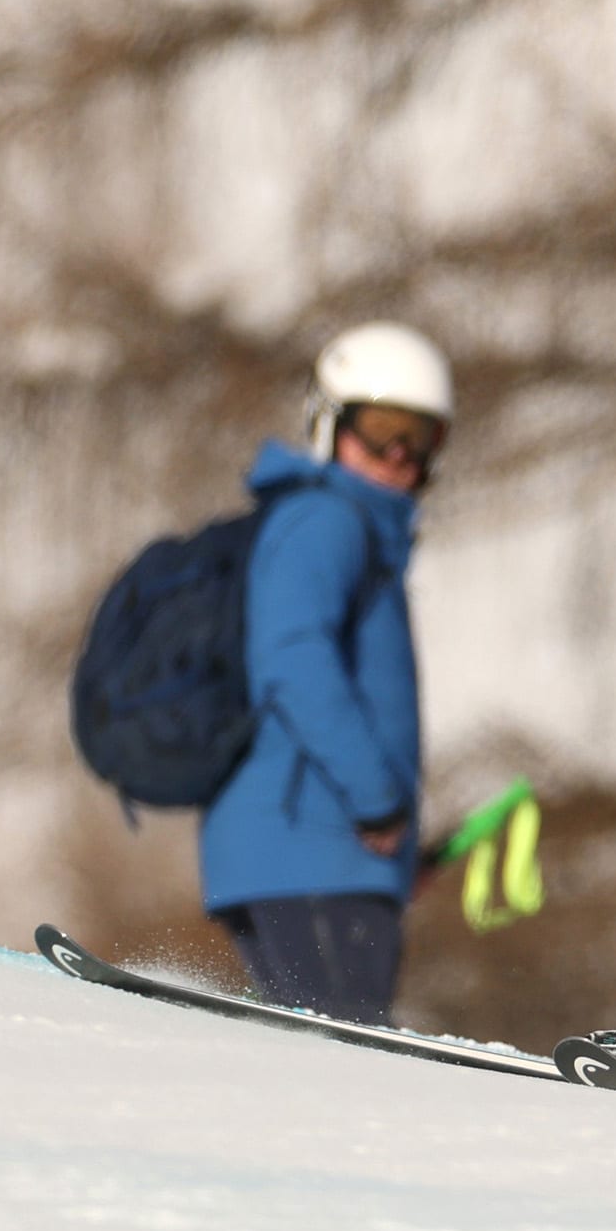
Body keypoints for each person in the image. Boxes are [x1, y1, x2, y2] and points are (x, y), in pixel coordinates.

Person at [200, 321, 451, 1026]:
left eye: (422, 436)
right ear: (329, 423)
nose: (399, 454)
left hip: (322, 850)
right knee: (345, 1058)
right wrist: (374, 802)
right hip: (311, 848)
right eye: (380, 430)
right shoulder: (327, 521)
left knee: (324, 1052)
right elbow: (293, 660)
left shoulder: (354, 529)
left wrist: (399, 848)